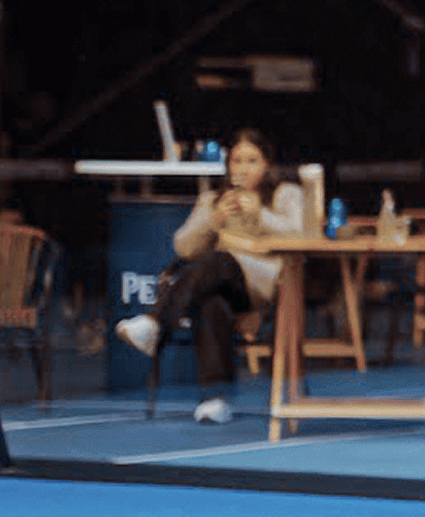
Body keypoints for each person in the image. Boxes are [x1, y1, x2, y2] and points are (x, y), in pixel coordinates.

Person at [114, 128, 301, 424]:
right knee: (212, 301)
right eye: (237, 161)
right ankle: (216, 398)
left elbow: (301, 234)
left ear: (266, 165)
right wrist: (213, 220)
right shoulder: (212, 199)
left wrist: (260, 215)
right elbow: (182, 246)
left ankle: (156, 322)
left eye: (252, 161)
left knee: (220, 260)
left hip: (262, 285)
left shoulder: (285, 194)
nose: (243, 169)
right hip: (222, 282)